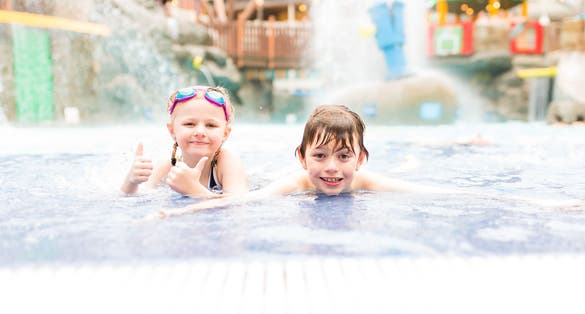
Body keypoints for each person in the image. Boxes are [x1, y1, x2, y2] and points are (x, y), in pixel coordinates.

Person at [152, 104, 582, 218]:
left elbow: (446, 192)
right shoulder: (296, 182)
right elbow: (242, 202)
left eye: (343, 157)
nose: (332, 169)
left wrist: (537, 204)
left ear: (361, 158)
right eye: (319, 157)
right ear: (301, 159)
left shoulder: (366, 181)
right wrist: (191, 202)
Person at [121, 85, 247, 198]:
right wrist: (131, 181)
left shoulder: (226, 161)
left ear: (225, 134)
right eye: (189, 124)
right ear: (172, 131)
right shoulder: (168, 166)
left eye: (211, 125)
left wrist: (193, 189)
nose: (200, 132)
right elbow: (138, 196)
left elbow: (236, 203)